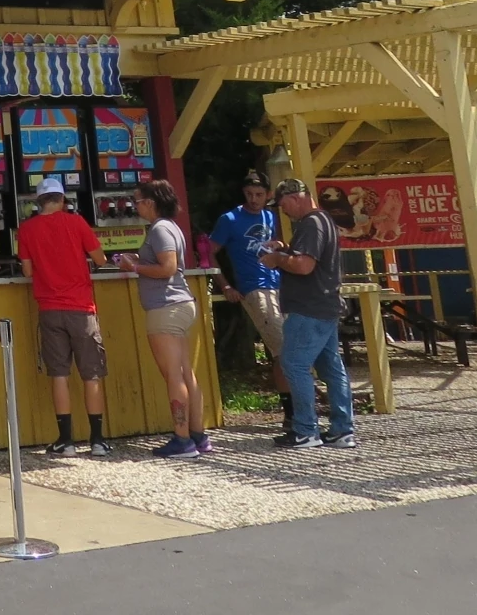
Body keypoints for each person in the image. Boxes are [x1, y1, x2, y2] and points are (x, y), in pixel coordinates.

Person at [15, 177, 112, 456]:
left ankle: (66, 441)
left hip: (49, 309)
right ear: (62, 199)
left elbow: (27, 271)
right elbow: (101, 260)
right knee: (91, 374)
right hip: (81, 308)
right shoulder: (77, 222)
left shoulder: (27, 229)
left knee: (59, 374)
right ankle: (97, 440)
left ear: (39, 201)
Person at [114, 179, 208, 458]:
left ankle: (182, 440)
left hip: (165, 307)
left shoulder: (159, 229)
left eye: (137, 201)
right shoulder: (170, 227)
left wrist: (135, 267)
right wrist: (139, 260)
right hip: (179, 305)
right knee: (185, 373)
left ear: (150, 203)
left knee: (173, 375)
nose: (135, 206)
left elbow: (168, 267)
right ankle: (198, 435)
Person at [261, 179, 357, 450]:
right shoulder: (324, 220)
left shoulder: (311, 223)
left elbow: (304, 266)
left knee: (293, 364)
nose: (283, 210)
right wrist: (284, 250)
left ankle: (305, 431)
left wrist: (277, 259)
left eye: (283, 204)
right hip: (325, 305)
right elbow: (307, 259)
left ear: (295, 198)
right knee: (331, 368)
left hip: (309, 308)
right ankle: (342, 430)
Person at [210, 170, 292, 429]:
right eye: (249, 194)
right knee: (284, 351)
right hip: (254, 288)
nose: (254, 199)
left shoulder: (270, 216)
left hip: (279, 284)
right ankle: (293, 412)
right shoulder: (230, 218)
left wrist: (280, 246)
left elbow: (277, 246)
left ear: (268, 195)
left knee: (290, 349)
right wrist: (225, 285)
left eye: (258, 194)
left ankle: (295, 410)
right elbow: (208, 252)